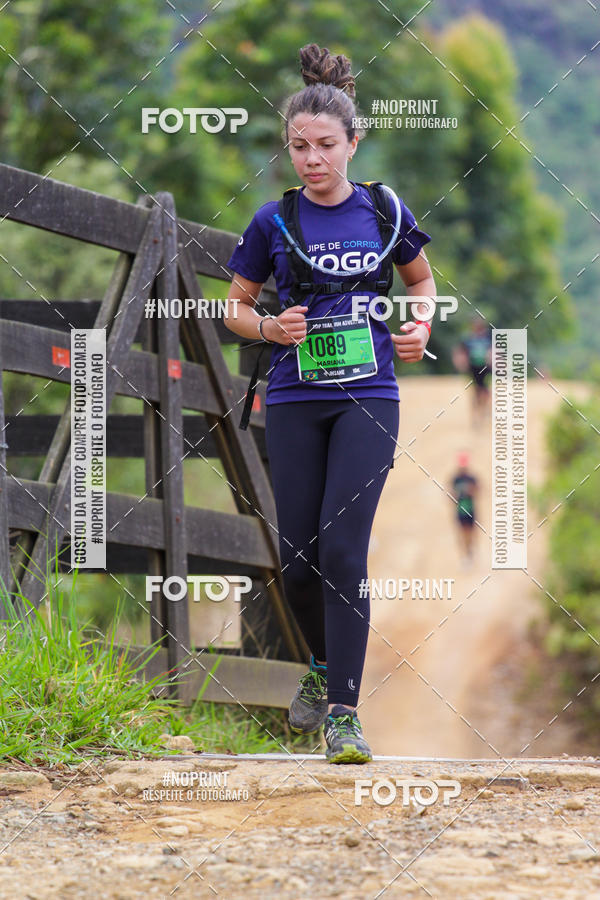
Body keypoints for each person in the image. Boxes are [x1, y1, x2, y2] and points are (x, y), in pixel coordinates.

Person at [224, 43, 436, 763]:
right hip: (293, 397)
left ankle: (344, 714)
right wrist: (268, 327)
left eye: (324, 146)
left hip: (368, 396)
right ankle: (319, 667)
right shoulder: (272, 221)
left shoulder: (383, 210)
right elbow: (235, 308)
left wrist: (420, 324)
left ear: (353, 142)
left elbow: (422, 282)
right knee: (297, 558)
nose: (311, 160)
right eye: (298, 147)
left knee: (343, 549)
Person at [452, 319, 492, 426]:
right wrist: (460, 362)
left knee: (485, 390)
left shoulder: (487, 339)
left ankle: (484, 409)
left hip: (485, 367)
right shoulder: (468, 339)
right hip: (473, 368)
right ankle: (476, 414)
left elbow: (493, 351)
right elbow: (460, 351)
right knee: (476, 391)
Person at [450, 451, 479, 564]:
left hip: (470, 509)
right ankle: (465, 556)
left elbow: (478, 490)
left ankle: (470, 553)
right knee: (462, 534)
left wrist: (470, 491)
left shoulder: (471, 478)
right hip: (460, 510)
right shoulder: (456, 479)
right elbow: (451, 495)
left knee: (470, 534)